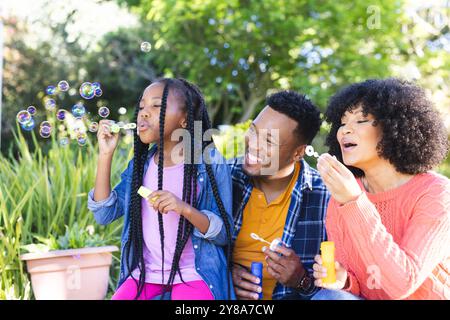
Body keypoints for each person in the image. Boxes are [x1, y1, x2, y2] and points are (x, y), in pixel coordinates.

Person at [88, 78, 235, 300]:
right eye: (141, 107)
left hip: (194, 273)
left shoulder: (209, 164)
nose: (144, 113)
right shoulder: (141, 166)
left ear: (185, 119)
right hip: (145, 274)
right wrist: (105, 154)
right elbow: (103, 213)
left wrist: (184, 208)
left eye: (157, 105)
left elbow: (224, 233)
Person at [313, 78, 450, 300]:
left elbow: (402, 284)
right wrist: (344, 279)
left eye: (361, 120)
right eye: (342, 122)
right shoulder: (342, 195)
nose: (344, 130)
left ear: (393, 126)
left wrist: (354, 202)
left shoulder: (436, 193)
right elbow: (365, 282)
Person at [230, 90, 330, 300]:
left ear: (298, 153)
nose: (254, 144)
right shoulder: (225, 177)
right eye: (253, 130)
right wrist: (224, 273)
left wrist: (301, 279)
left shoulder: (325, 197)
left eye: (269, 141)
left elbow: (337, 287)